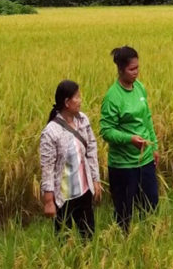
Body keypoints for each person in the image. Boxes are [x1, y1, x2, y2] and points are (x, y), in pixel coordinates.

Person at [100, 46, 159, 231]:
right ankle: (125, 242)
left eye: (137, 68)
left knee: (150, 205)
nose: (136, 73)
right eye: (131, 69)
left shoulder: (139, 87)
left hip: (145, 159)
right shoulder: (112, 97)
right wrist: (129, 139)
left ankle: (148, 240)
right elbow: (106, 131)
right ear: (120, 70)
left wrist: (154, 146)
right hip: (123, 165)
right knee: (124, 210)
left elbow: (147, 118)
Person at [39, 80, 102, 239]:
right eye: (77, 97)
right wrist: (48, 200)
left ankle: (88, 263)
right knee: (64, 241)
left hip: (84, 191)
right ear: (67, 102)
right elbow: (47, 168)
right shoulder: (51, 132)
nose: (80, 100)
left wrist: (96, 179)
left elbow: (91, 150)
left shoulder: (82, 121)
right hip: (63, 198)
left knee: (88, 236)